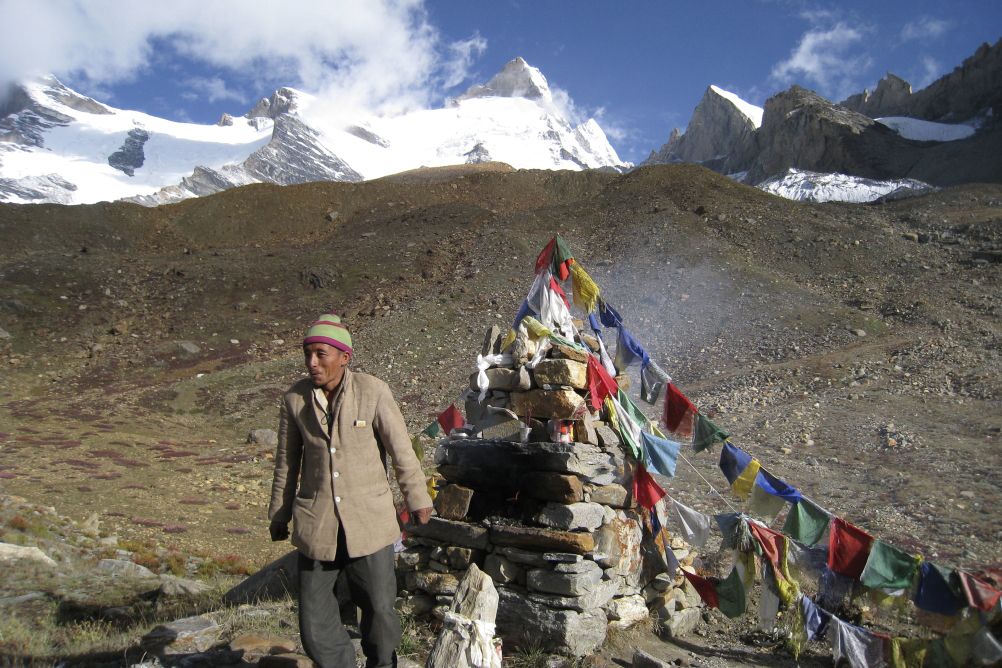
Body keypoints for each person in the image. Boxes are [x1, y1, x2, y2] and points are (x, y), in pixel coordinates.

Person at [268, 312, 433, 668]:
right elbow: (286, 461)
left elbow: (401, 451)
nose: (312, 363)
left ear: (344, 357)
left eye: (321, 354)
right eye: (308, 354)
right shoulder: (295, 399)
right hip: (317, 523)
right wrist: (280, 514)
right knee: (314, 619)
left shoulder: (373, 392)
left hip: (369, 522)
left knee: (379, 608)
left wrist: (417, 498)